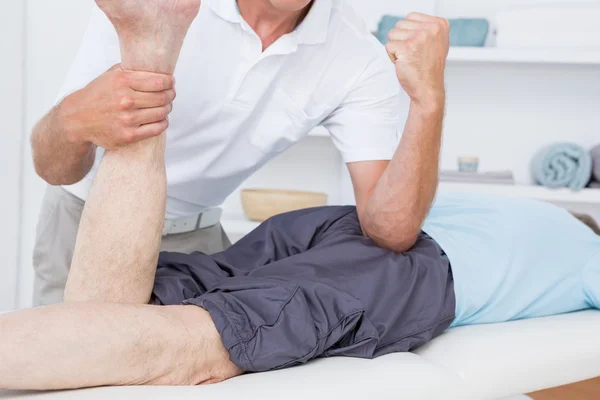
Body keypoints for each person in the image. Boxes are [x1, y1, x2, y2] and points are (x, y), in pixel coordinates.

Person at [30, 0, 449, 307]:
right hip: (85, 220)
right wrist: (75, 119)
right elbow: (51, 166)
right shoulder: (151, 5)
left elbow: (389, 229)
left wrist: (428, 100)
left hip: (198, 242)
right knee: (62, 377)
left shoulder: (357, 56)